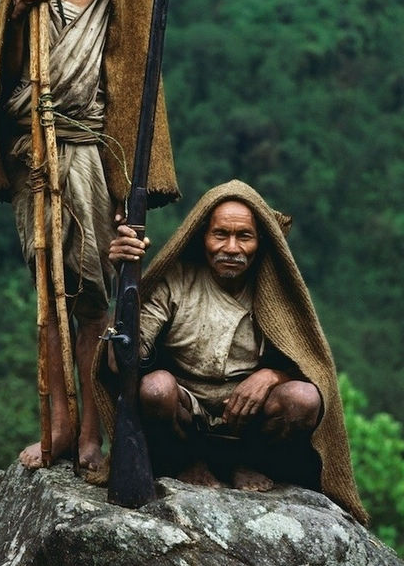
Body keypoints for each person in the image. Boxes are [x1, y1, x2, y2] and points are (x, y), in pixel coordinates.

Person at [0, 0, 179, 471]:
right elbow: (3, 79)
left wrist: (124, 193)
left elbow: (133, 95)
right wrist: (17, 9)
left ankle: (93, 432)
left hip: (92, 157)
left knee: (92, 297)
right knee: (47, 288)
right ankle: (56, 423)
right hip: (37, 155)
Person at [100, 179, 367, 524]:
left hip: (247, 422)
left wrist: (272, 376)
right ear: (202, 237)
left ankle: (248, 463)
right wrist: (124, 281)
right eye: (220, 234)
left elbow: (311, 368)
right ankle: (187, 462)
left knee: (303, 399)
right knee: (155, 389)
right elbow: (123, 361)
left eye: (244, 236)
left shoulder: (273, 288)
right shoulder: (176, 281)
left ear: (260, 242)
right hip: (185, 413)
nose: (231, 247)